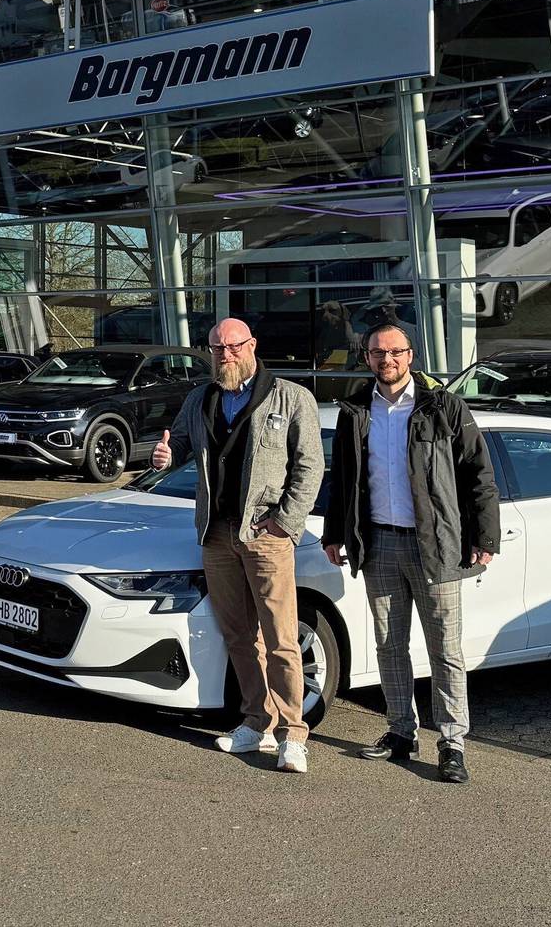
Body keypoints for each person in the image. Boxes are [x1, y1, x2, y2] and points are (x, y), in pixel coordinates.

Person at [324, 323, 500, 784]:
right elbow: (342, 478)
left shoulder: (443, 407)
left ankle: (452, 742)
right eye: (379, 352)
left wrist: (486, 537)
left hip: (436, 546)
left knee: (445, 648)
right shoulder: (357, 410)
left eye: (396, 352)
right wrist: (334, 533)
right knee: (389, 644)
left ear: (411, 355)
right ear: (366, 358)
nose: (388, 360)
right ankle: (401, 730)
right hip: (379, 541)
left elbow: (478, 473)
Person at [152, 318, 324, 773]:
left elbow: (310, 468)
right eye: (216, 348)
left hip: (265, 535)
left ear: (251, 346)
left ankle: (293, 734)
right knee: (239, 636)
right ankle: (257, 724)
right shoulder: (201, 398)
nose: (224, 354)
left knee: (282, 638)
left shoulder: (290, 398)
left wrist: (284, 523)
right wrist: (167, 455)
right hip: (216, 534)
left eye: (232, 346)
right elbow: (183, 446)